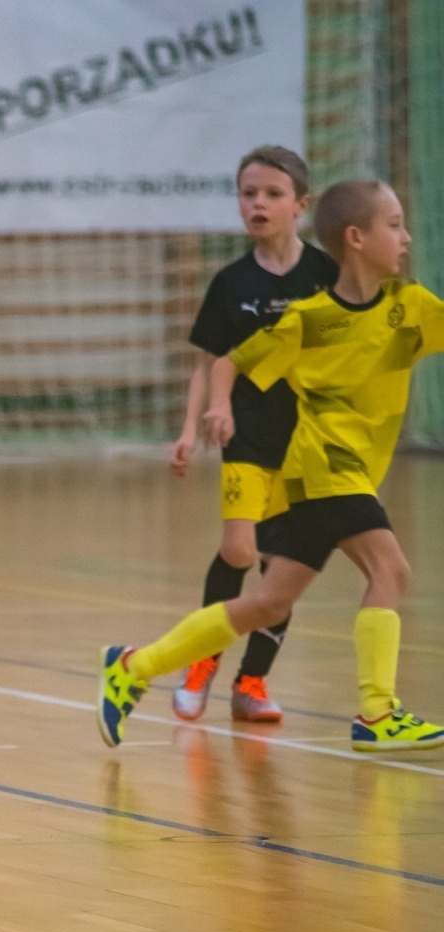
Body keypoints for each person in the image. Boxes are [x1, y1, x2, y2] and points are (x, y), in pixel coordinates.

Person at [99, 179, 444, 753]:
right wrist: (217, 406)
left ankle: (133, 667)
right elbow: (229, 361)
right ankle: (377, 713)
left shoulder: (410, 307)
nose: (406, 237)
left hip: (337, 476)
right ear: (356, 238)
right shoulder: (307, 320)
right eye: (394, 224)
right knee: (392, 572)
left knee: (268, 603)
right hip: (324, 466)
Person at [167, 147, 339, 723]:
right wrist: (191, 426)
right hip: (246, 434)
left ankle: (253, 682)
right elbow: (209, 361)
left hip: (307, 442)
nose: (257, 204)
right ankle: (200, 664)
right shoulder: (230, 282)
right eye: (248, 194)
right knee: (239, 549)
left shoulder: (327, 275)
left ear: (301, 205)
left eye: (272, 194)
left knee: (282, 567)